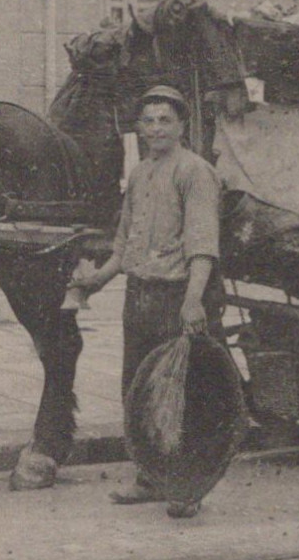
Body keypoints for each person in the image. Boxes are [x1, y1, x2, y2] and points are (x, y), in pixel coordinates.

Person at [70, 84, 223, 517]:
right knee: (137, 392)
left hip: (177, 298)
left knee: (180, 395)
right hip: (138, 297)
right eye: (149, 120)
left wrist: (193, 302)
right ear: (139, 127)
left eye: (165, 121)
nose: (156, 128)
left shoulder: (195, 172)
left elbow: (202, 246)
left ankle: (186, 487)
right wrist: (94, 281)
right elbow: (124, 246)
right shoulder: (138, 174)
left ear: (182, 126)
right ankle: (150, 479)